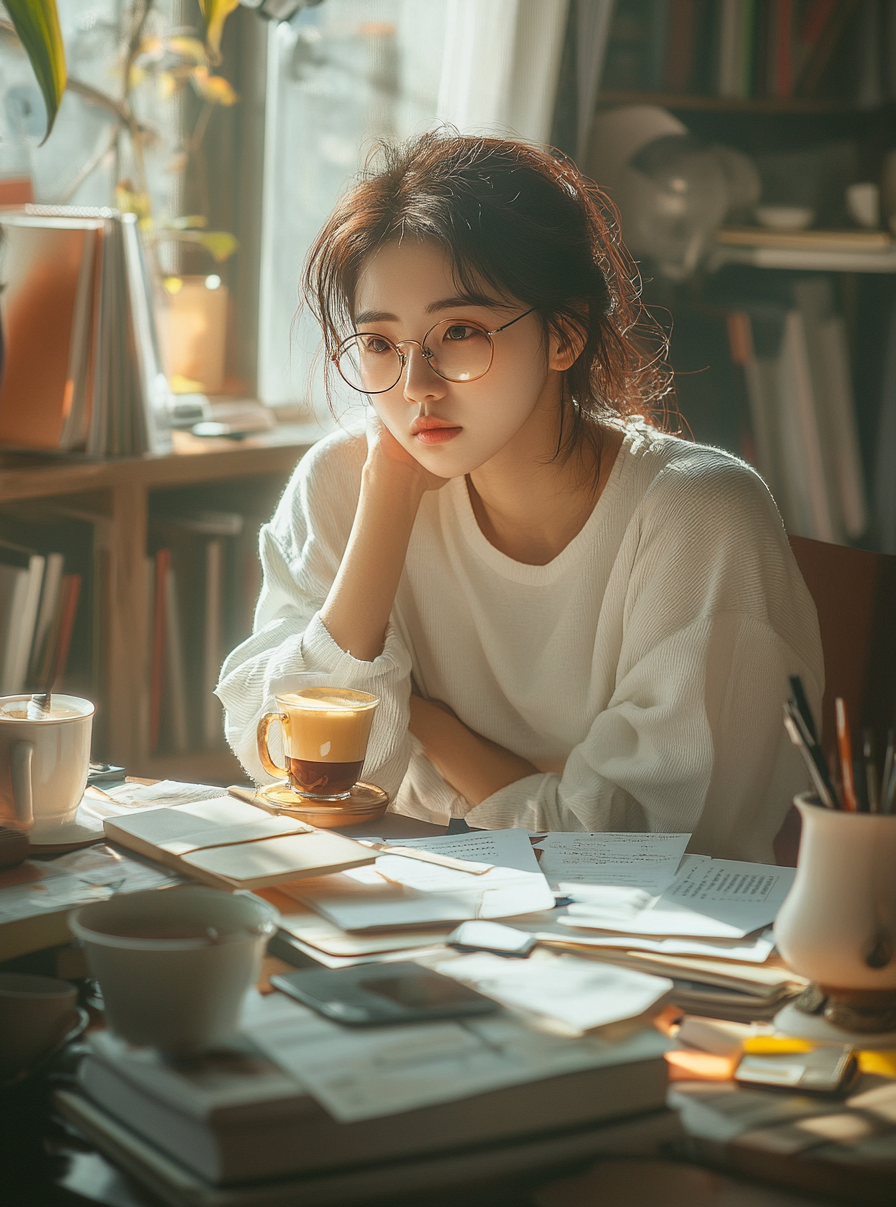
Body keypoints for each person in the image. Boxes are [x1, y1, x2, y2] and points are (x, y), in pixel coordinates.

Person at [217, 132, 823, 861]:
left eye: (461, 331)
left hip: (631, 945)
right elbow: (290, 762)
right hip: (403, 907)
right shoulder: (348, 479)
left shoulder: (698, 515)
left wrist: (423, 724)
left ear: (563, 336)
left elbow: (633, 846)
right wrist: (387, 501)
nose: (416, 389)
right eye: (380, 344)